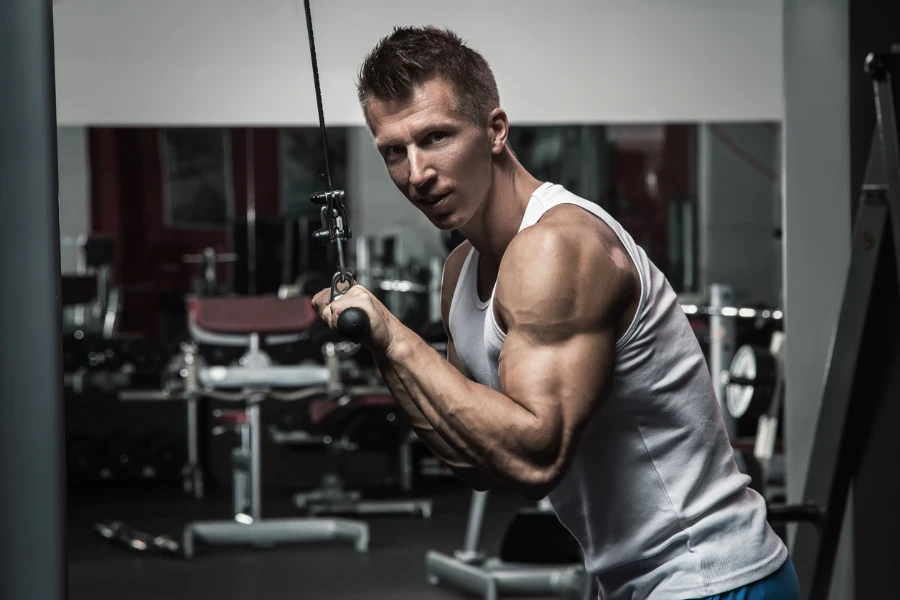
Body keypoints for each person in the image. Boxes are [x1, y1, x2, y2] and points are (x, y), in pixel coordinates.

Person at [312, 26, 799, 600]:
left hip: (711, 575)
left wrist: (394, 341)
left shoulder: (555, 248)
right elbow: (478, 464)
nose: (416, 173)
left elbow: (534, 460)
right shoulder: (461, 270)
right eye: (394, 150)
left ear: (495, 131)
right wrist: (382, 348)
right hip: (632, 580)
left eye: (436, 137)